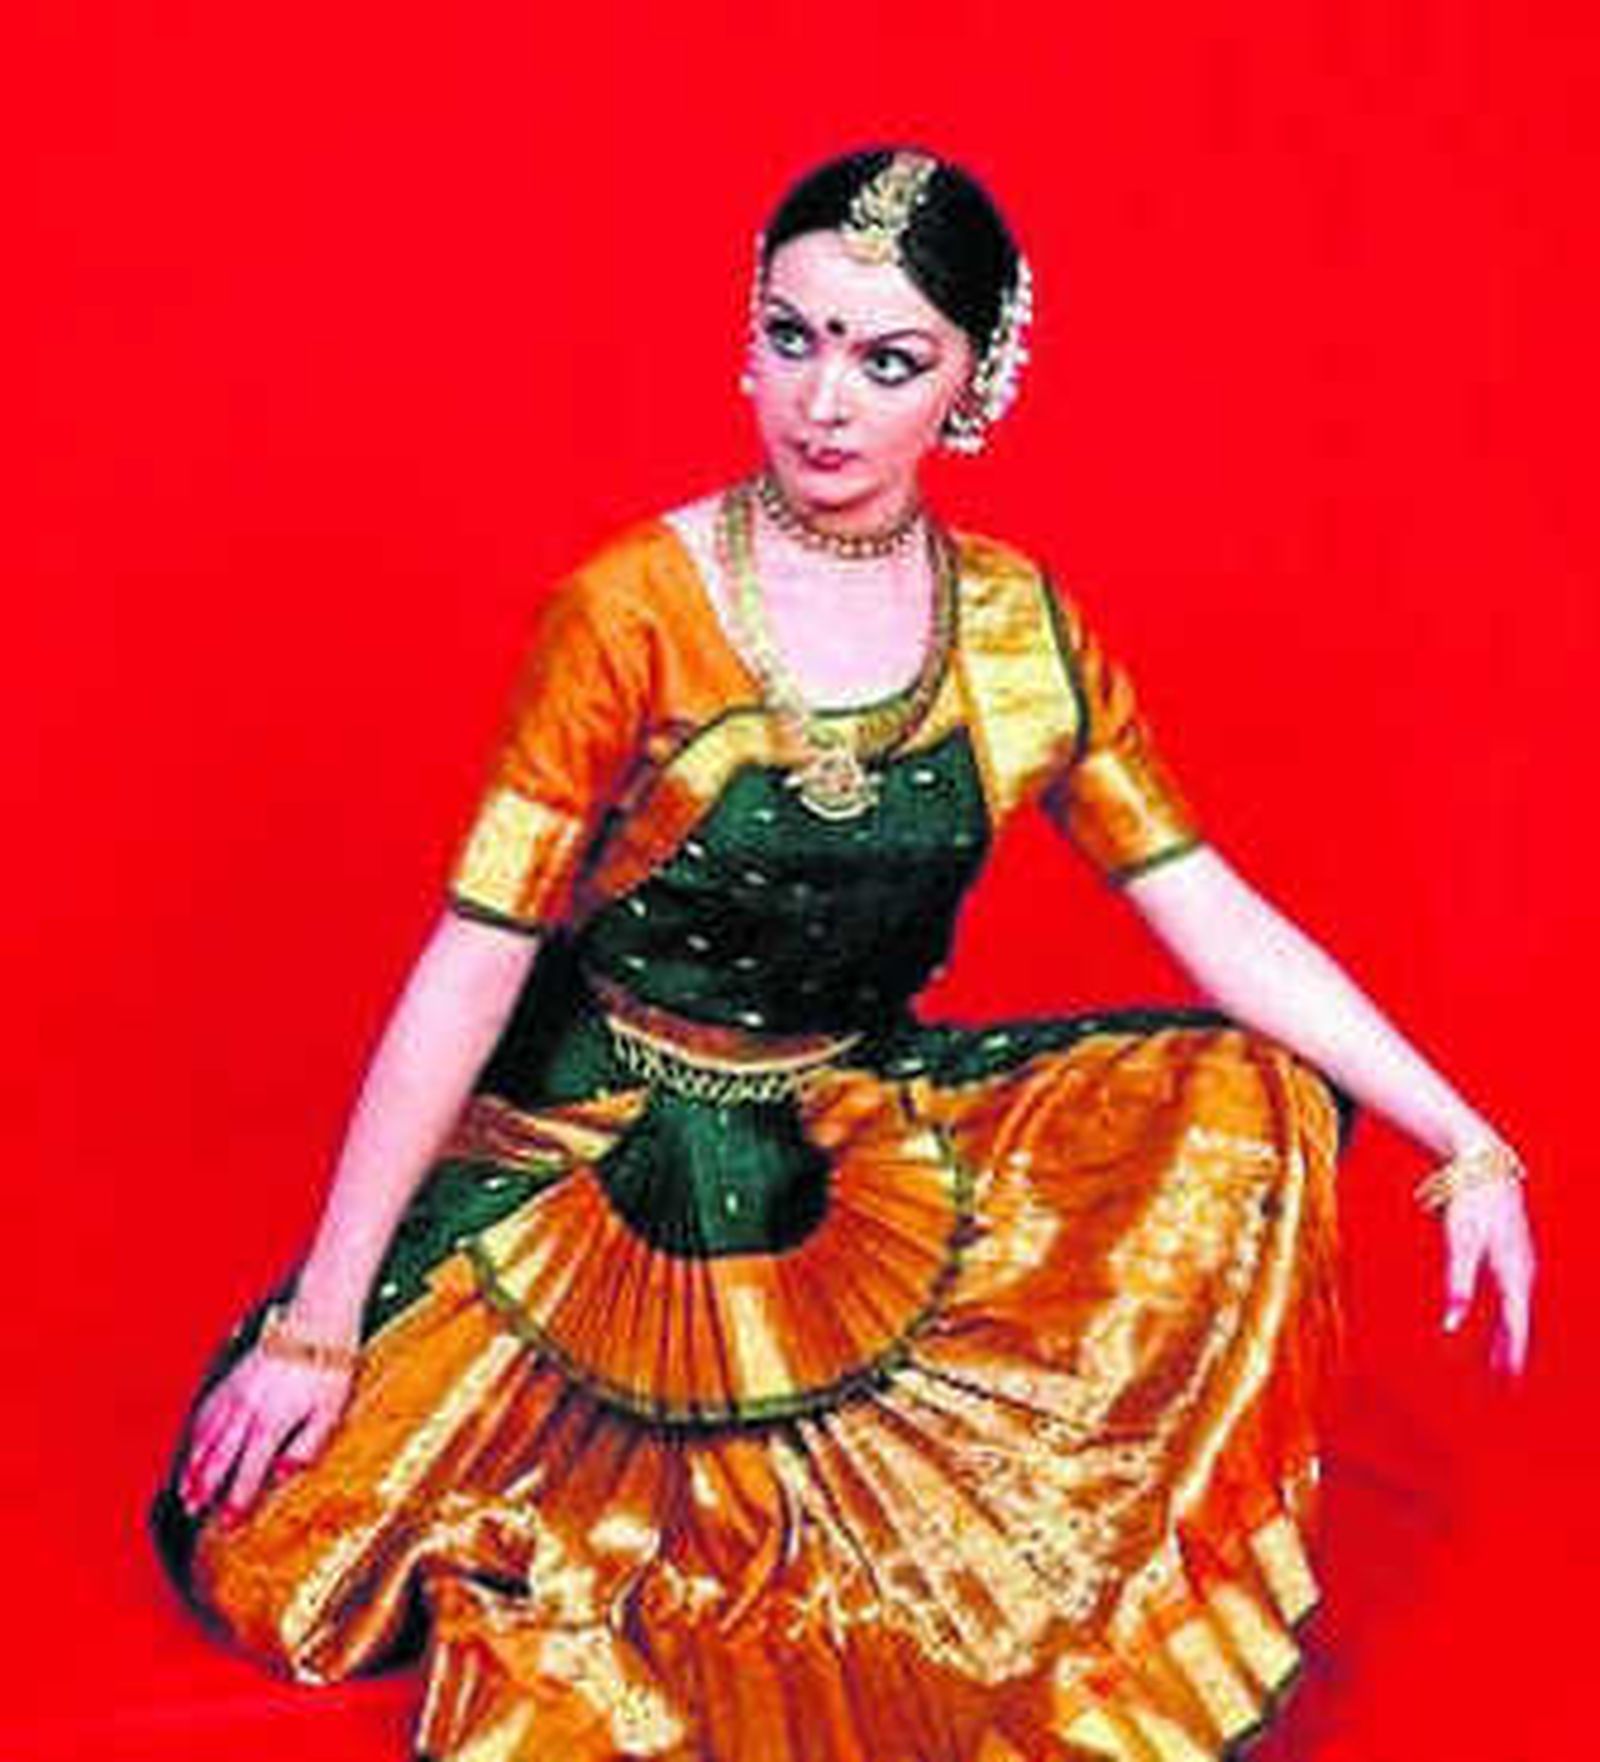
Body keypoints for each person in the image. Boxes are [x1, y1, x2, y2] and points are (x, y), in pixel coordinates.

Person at [152, 146, 1536, 1762]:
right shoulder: (631, 609)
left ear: (975, 383)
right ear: (747, 335)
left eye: (890, 360)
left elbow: (1209, 907)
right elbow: (472, 958)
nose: (825, 402)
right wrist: (322, 1322)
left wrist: (1465, 1137)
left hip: (844, 1141)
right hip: (594, 1141)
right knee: (284, 1547)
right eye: (793, 336)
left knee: (1251, 1106)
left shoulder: (1017, 636)